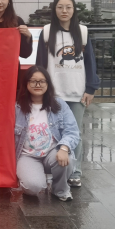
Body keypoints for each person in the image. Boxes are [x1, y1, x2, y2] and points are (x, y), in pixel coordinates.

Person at [36, 0, 101, 188]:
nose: (64, 11)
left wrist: (90, 89)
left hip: (76, 93)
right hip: (53, 93)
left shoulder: (82, 32)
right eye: (60, 7)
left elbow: (90, 63)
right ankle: (53, 169)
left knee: (74, 133)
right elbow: (40, 63)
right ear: (54, 10)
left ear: (74, 10)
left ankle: (75, 172)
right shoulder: (47, 32)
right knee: (50, 132)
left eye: (68, 7)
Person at [15, 66, 80, 202]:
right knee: (33, 187)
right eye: (33, 81)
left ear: (48, 84)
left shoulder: (59, 105)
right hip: (28, 156)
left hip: (52, 152)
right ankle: (34, 178)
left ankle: (60, 189)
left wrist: (64, 148)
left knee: (66, 158)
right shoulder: (17, 108)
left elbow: (72, 131)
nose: (38, 85)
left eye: (42, 81)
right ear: (26, 83)